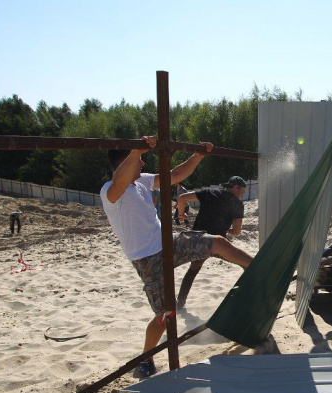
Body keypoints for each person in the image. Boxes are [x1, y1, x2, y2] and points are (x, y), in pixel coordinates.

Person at [101, 136, 253, 377]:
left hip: (169, 243)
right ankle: (145, 359)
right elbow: (119, 181)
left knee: (218, 242)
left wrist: (199, 155)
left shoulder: (142, 182)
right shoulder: (111, 191)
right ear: (125, 162)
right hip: (147, 259)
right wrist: (135, 152)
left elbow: (174, 175)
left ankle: (256, 267)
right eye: (139, 160)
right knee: (164, 317)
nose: (142, 165)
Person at [175, 176, 247, 310]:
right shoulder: (238, 204)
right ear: (235, 187)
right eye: (242, 191)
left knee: (192, 271)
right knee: (244, 263)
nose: (242, 195)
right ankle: (247, 296)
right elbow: (237, 231)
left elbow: (182, 198)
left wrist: (181, 214)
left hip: (199, 242)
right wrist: (227, 229)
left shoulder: (209, 192)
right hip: (219, 245)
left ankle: (180, 303)